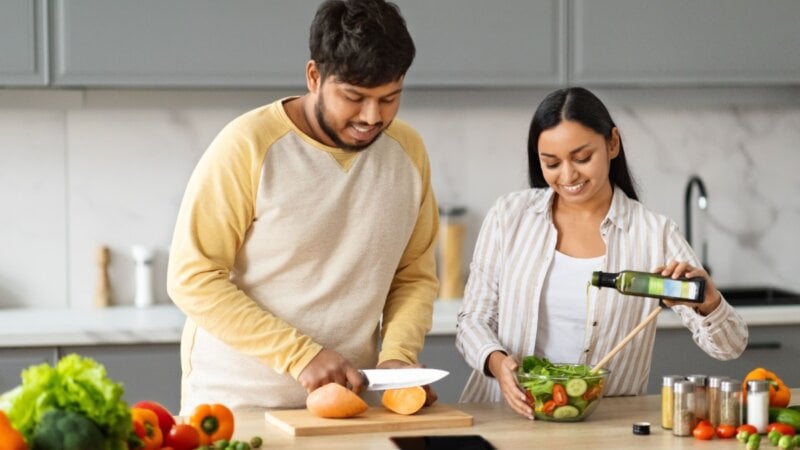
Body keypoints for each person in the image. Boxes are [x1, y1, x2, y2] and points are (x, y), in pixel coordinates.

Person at [167, 0, 439, 413]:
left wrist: (398, 356)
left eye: (390, 98)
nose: (371, 116)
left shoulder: (408, 152)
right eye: (354, 97)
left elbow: (413, 275)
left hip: (346, 408)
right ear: (314, 76)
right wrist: (300, 355)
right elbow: (193, 278)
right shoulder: (248, 145)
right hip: (236, 409)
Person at [455, 87, 748, 419]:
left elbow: (731, 346)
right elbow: (473, 320)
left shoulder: (654, 234)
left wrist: (709, 303)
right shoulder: (509, 216)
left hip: (605, 425)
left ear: (612, 144)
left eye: (582, 158)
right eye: (551, 163)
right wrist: (496, 361)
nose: (567, 176)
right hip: (506, 415)